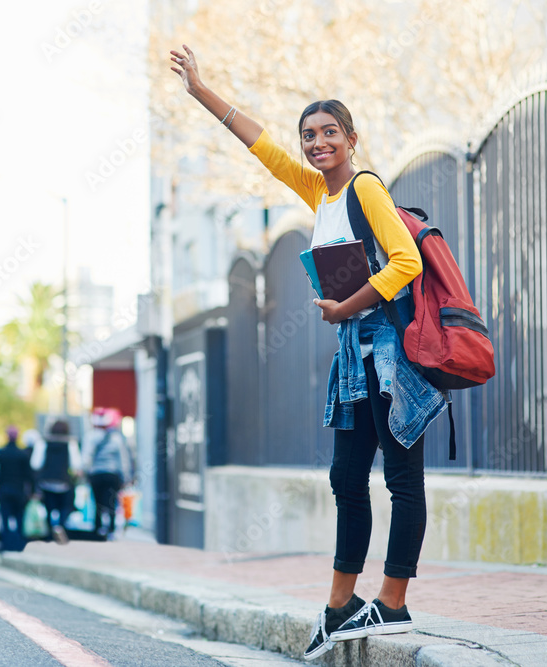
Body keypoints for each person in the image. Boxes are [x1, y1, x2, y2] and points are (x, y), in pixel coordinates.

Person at [170, 46, 448, 660]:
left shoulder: (366, 187)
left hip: (389, 353)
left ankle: (394, 603)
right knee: (347, 479)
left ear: (352, 138)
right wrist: (200, 90)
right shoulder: (315, 191)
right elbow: (260, 143)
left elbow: (405, 261)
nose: (317, 143)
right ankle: (340, 606)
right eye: (310, 136)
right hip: (353, 356)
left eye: (329, 134)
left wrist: (344, 307)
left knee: (403, 482)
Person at [84, 407, 135, 539]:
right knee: (111, 501)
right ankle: (111, 528)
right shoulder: (116, 438)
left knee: (97, 502)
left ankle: (97, 527)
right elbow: (123, 460)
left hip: (96, 474)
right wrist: (126, 476)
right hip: (112, 474)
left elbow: (86, 457)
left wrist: (85, 472)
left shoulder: (90, 436)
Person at [30, 420, 82, 544]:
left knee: (49, 508)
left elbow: (35, 463)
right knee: (65, 507)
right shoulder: (71, 443)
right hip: (63, 481)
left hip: (46, 482)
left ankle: (50, 532)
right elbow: (76, 464)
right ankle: (60, 527)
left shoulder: (43, 442)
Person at [0, 425, 36, 553]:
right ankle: (20, 544)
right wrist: (32, 491)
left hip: (4, 490)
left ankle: (6, 543)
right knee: (19, 518)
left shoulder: (0, 453)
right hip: (19, 491)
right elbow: (30, 475)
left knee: (5, 517)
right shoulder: (22, 455)